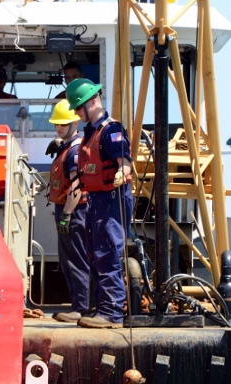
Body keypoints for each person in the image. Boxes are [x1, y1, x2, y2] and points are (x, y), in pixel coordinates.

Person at [66, 79, 133, 329]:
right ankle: (102, 307)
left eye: (78, 107)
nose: (76, 113)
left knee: (107, 253)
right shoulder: (91, 132)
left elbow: (125, 162)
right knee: (95, 254)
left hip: (111, 199)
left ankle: (112, 312)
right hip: (96, 200)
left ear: (92, 102)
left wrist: (121, 173)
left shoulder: (110, 130)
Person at [47, 100, 90, 323]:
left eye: (63, 124)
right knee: (68, 260)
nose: (59, 127)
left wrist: (66, 214)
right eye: (57, 124)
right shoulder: (68, 147)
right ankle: (80, 305)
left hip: (74, 211)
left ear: (75, 123)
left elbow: (76, 186)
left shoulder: (74, 152)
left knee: (76, 260)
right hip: (68, 209)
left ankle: (81, 308)